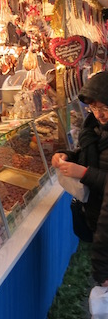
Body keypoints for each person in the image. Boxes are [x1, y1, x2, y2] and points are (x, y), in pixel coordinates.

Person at [51, 71, 108, 244]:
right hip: (96, 214)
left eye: (105, 108)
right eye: (94, 108)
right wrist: (66, 156)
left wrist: (84, 173)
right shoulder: (92, 129)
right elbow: (87, 154)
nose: (99, 114)